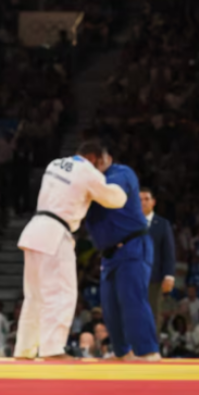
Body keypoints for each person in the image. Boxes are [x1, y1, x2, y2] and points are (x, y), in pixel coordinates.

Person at [14, 140, 127, 360]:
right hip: (55, 234)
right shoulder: (86, 170)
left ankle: (24, 350)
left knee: (34, 295)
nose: (101, 169)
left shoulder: (55, 164)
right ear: (94, 158)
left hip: (35, 229)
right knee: (61, 293)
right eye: (102, 164)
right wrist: (120, 185)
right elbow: (114, 199)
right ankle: (52, 350)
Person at [83, 149, 161, 361]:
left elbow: (112, 194)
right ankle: (122, 352)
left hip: (132, 245)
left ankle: (148, 351)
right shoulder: (87, 182)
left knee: (132, 299)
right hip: (108, 253)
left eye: (94, 161)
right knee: (109, 306)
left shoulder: (120, 173)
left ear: (104, 158)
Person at [141, 187, 176, 333]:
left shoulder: (162, 224)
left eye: (146, 199)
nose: (143, 202)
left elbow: (168, 251)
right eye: (139, 200)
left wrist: (169, 275)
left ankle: (151, 349)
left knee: (153, 313)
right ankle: (131, 350)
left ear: (153, 202)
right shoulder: (130, 223)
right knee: (131, 312)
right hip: (132, 276)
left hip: (154, 277)